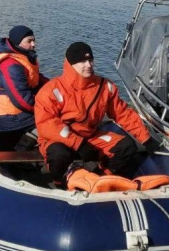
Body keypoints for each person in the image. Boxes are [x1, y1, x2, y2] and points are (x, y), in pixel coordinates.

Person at [34, 41, 161, 186]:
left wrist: (146, 139)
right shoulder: (51, 90)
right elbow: (47, 125)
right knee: (58, 154)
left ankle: (100, 179)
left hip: (89, 137)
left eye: (90, 60)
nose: (88, 65)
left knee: (126, 146)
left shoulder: (105, 87)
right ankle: (60, 184)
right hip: (60, 140)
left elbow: (122, 113)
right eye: (82, 61)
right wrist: (78, 144)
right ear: (71, 64)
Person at [0, 25, 47, 151]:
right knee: (54, 117)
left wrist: (56, 87)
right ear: (18, 43)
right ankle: (21, 149)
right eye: (29, 41)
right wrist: (47, 107)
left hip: (12, 113)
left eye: (34, 40)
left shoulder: (21, 58)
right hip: (9, 117)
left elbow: (36, 79)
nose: (34, 44)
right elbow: (23, 102)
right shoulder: (11, 66)